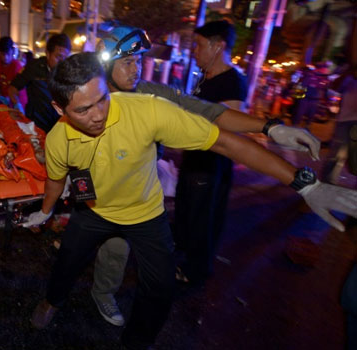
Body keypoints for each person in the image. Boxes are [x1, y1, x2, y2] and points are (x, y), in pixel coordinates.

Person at [24, 52, 357, 349]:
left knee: (160, 289)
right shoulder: (58, 139)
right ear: (60, 109)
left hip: (145, 214)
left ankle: (137, 342)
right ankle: (52, 301)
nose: (98, 115)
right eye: (83, 109)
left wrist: (306, 185)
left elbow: (224, 143)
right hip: (94, 212)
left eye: (102, 100)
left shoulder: (147, 110)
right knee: (66, 262)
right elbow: (56, 180)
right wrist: (45, 210)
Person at [80, 24, 322, 327]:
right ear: (106, 64)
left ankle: (142, 329)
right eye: (128, 62)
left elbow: (204, 110)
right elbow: (72, 149)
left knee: (157, 271)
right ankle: (100, 293)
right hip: (107, 198)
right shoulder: (89, 98)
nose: (136, 69)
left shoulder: (150, 94)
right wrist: (83, 197)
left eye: (139, 60)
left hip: (144, 198)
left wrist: (270, 127)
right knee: (112, 252)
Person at [174, 20, 249, 285]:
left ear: (219, 46)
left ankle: (196, 271)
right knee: (186, 210)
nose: (195, 51)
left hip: (211, 163)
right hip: (194, 158)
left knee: (202, 218)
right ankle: (181, 254)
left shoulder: (232, 82)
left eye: (200, 45)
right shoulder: (205, 77)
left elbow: (228, 127)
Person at [8, 33, 72, 133]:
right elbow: (13, 89)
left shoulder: (68, 72)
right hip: (36, 126)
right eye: (58, 57)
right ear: (47, 53)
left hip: (59, 126)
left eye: (65, 58)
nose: (61, 62)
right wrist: (17, 105)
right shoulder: (34, 67)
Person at [0, 36, 26, 106]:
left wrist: (11, 100)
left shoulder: (16, 66)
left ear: (12, 51)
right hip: (4, 99)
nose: (5, 57)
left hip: (18, 100)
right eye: (3, 54)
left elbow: (17, 90)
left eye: (8, 54)